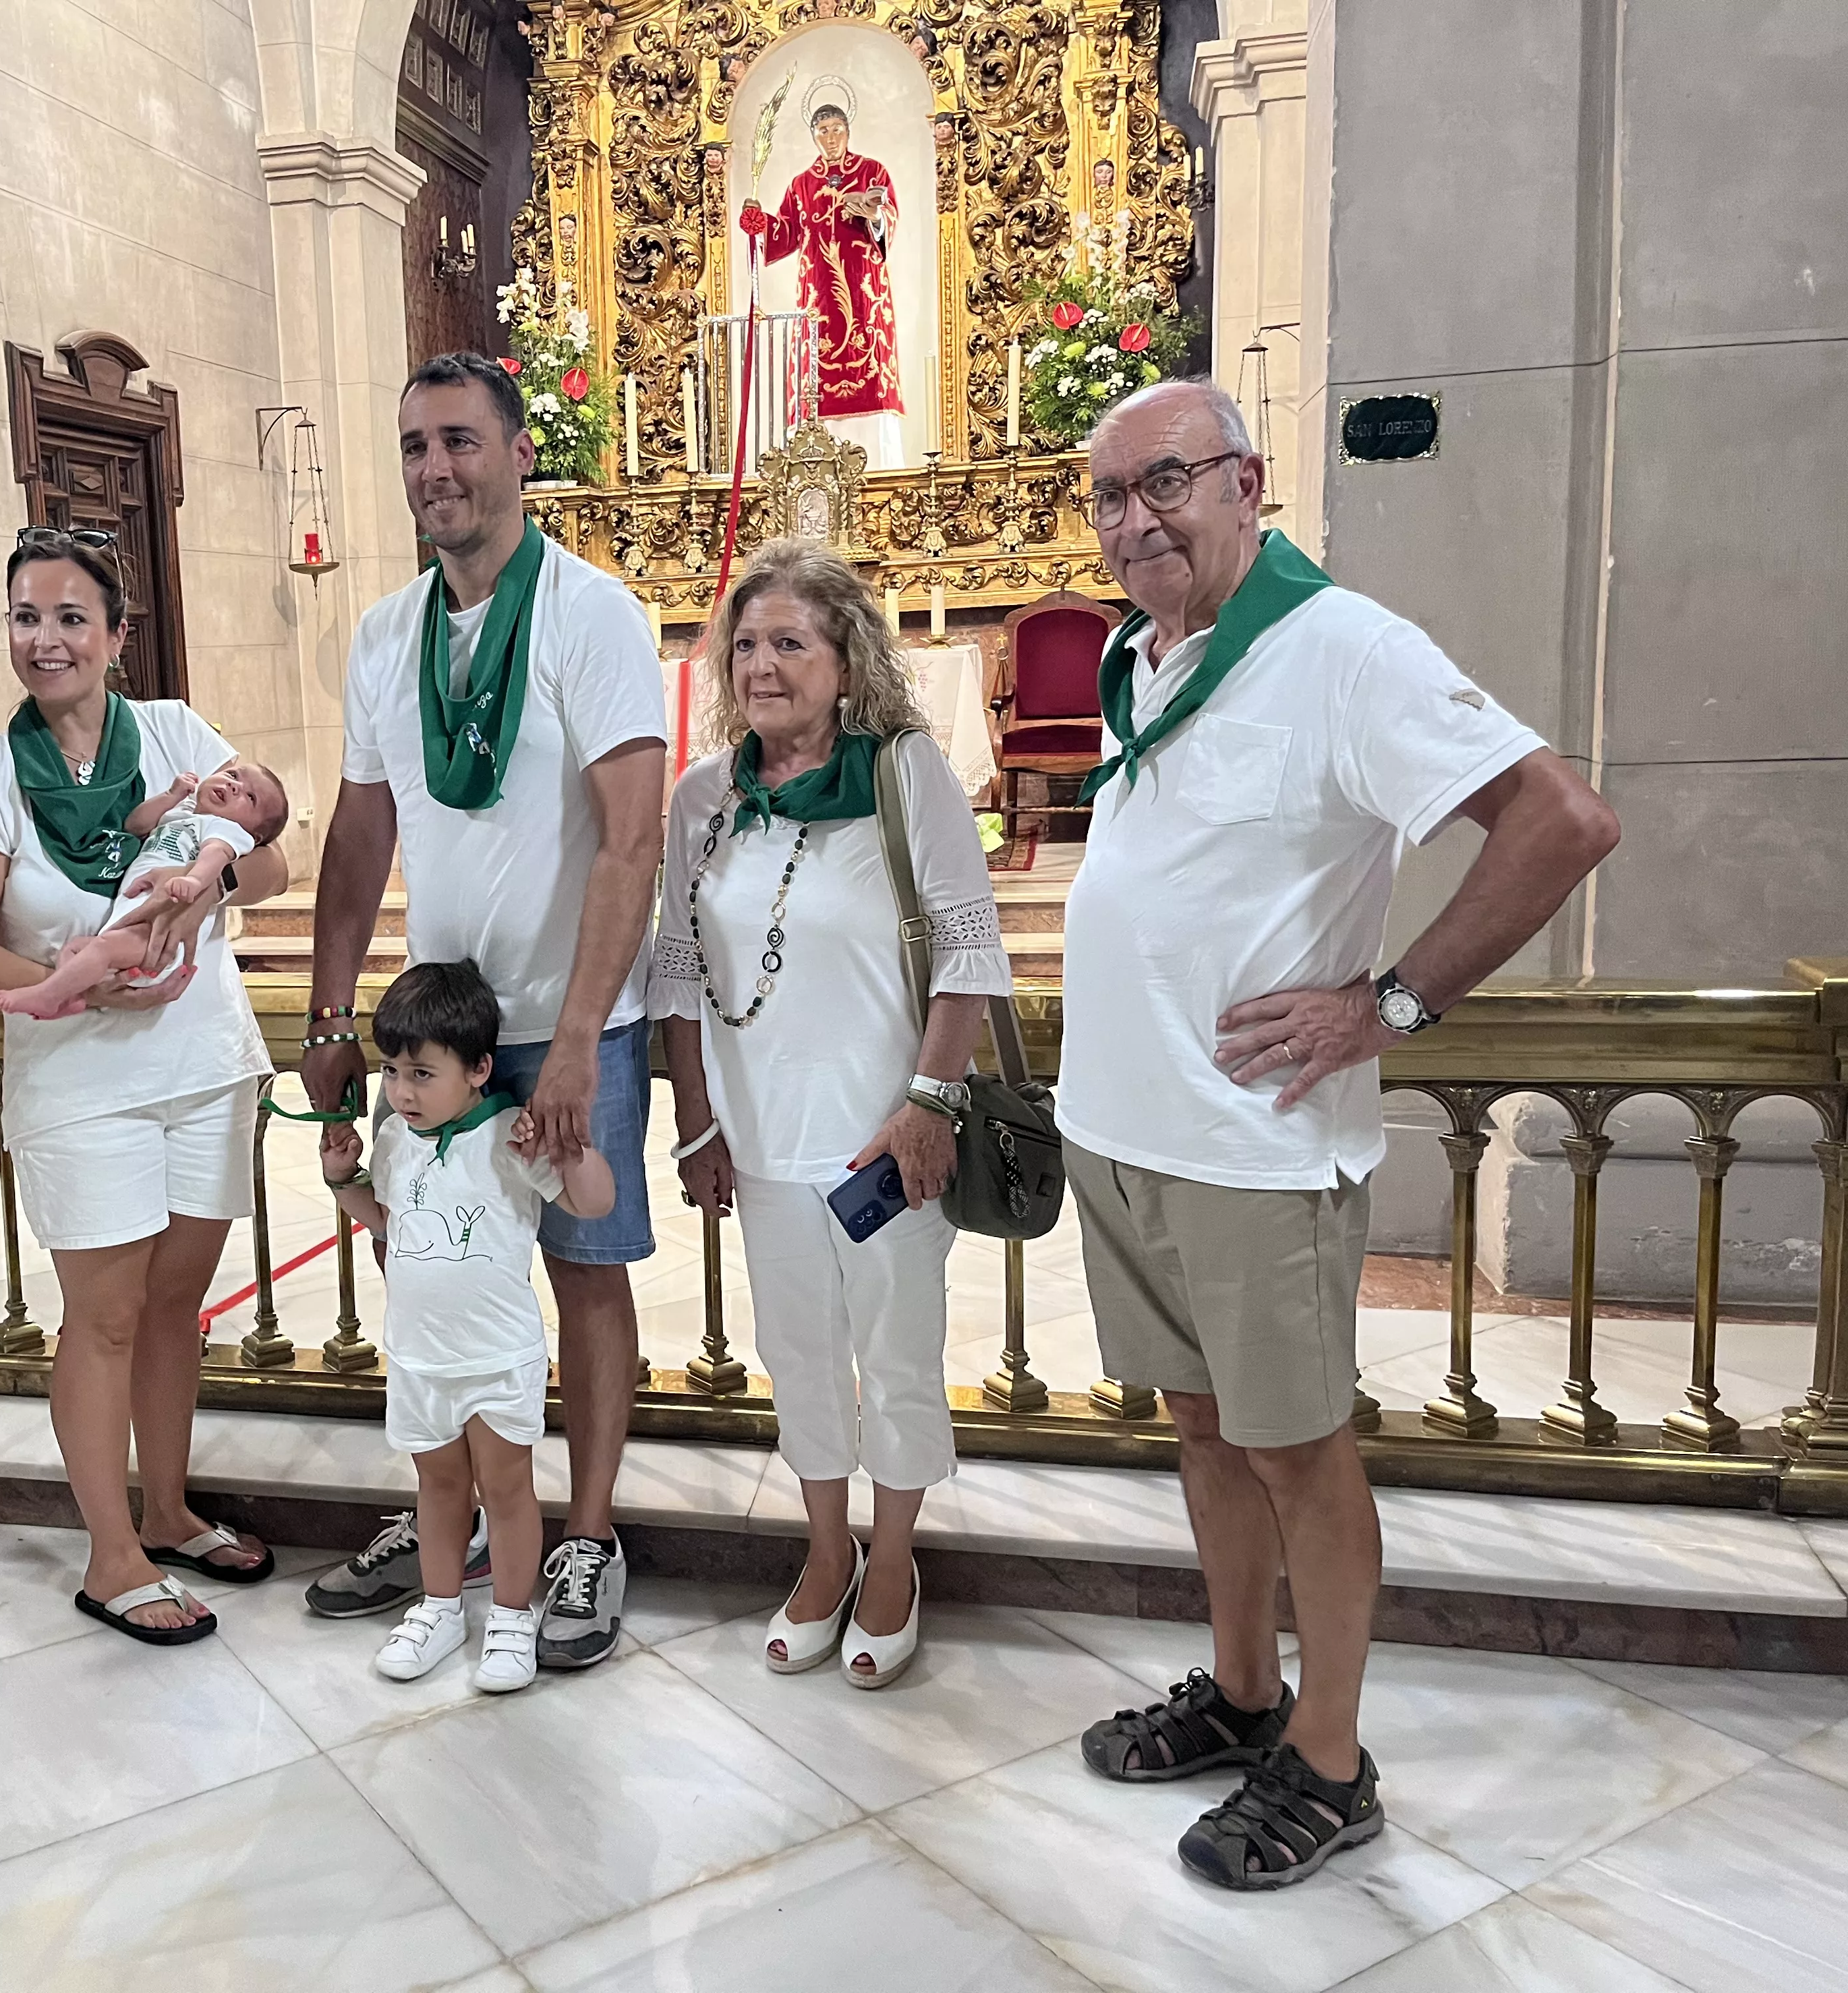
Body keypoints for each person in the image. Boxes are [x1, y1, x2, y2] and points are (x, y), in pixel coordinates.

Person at [1058, 380, 1619, 1888]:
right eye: (1107, 496)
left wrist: (1392, 1003)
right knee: (1201, 1427)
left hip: (1257, 1151)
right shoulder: (1139, 654)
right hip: (1130, 1133)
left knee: (1299, 1452)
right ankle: (1246, 1692)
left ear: (1248, 483)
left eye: (1164, 482)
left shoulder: (1342, 650)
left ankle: (1329, 1758)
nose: (1132, 521)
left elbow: (1562, 821)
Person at [301, 351, 667, 1671]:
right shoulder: (384, 634)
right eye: (414, 445)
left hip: (575, 1017)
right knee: (432, 1258)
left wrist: (571, 1041)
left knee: (584, 1270)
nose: (435, 468)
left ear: (519, 454)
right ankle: (448, 1515)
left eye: (459, 440)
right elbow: (360, 830)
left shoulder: (592, 614)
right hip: (439, 1029)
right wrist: (331, 1012)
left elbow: (633, 836)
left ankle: (585, 1534)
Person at [654, 538, 1010, 1689]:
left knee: (896, 1353)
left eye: (791, 643)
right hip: (760, 1138)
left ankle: (894, 1559)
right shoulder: (705, 797)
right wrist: (698, 1120)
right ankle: (824, 1548)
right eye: (745, 644)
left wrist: (928, 1102)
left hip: (883, 1141)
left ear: (846, 662)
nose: (762, 665)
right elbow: (676, 969)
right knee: (796, 1351)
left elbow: (968, 951)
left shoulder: (904, 775)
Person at [0, 527, 290, 1645]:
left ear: (117, 634)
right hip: (79, 1079)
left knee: (176, 1300)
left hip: (202, 1064)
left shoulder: (176, 734)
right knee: (106, 1313)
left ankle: (168, 1509)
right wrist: (80, 983)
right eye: (27, 618)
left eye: (71, 618)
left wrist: (207, 877)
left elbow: (271, 857)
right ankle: (111, 1552)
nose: (48, 640)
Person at [320, 961, 616, 1695]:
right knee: (439, 1488)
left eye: (422, 1075)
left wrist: (568, 1149)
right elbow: (387, 1221)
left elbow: (594, 1205)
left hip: (495, 1358)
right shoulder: (396, 1139)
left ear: (480, 1069)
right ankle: (441, 1608)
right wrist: (343, 1181)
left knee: (507, 1489)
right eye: (393, 1072)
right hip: (420, 1358)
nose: (402, 1092)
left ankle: (511, 1618)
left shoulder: (512, 1137)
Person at [0, 760, 289, 1018]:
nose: (235, 786)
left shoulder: (227, 830)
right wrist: (171, 796)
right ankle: (71, 998)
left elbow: (215, 855)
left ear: (255, 835)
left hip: (161, 935)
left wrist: (195, 881)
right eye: (234, 775)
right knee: (75, 949)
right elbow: (135, 825)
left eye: (250, 797)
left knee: (101, 949)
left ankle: (48, 996)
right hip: (137, 915)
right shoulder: (183, 812)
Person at [739, 83, 905, 469]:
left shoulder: (871, 171)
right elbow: (784, 234)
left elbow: (889, 219)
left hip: (865, 297)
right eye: (823, 131)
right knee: (815, 379)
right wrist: (759, 223)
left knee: (868, 368)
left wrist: (873, 214)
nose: (831, 138)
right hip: (817, 301)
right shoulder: (802, 184)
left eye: (837, 129)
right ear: (813, 136)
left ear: (848, 131)